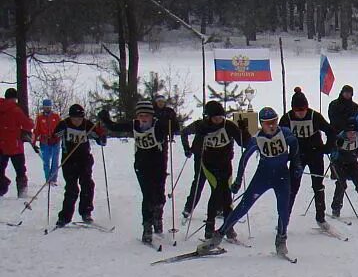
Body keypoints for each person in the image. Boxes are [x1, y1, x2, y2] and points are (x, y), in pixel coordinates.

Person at [201, 106, 299, 257]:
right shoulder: (257, 139)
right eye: (267, 123)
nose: (271, 126)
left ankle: (281, 240)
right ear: (262, 123)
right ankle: (218, 235)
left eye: (274, 121)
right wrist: (238, 181)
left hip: (282, 176)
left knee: (284, 209)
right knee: (243, 207)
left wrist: (295, 164)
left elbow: (295, 146)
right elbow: (244, 159)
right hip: (263, 176)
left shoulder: (285, 133)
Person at [99, 100, 168, 243]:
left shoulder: (158, 125)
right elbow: (115, 127)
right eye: (140, 115)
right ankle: (147, 227)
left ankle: (157, 215)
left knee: (159, 196)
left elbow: (171, 128)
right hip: (142, 165)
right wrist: (105, 118)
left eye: (146, 115)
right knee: (147, 195)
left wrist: (168, 120)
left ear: (151, 116)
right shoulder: (134, 125)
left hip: (158, 166)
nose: (143, 118)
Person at [181, 100, 245, 243]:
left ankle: (229, 228)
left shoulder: (228, 126)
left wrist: (243, 131)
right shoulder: (201, 126)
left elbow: (244, 142)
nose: (218, 120)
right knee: (216, 193)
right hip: (208, 165)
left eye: (221, 117)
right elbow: (184, 132)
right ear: (208, 117)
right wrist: (188, 148)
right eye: (215, 117)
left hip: (225, 164)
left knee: (227, 196)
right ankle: (209, 228)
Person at [281, 87, 333, 228]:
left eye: (303, 110)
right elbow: (280, 138)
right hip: (297, 156)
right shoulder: (287, 118)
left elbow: (330, 131)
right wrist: (284, 155)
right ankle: (284, 218)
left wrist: (327, 147)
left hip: (315, 154)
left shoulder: (314, 116)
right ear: (293, 109)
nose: (300, 113)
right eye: (297, 111)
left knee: (318, 185)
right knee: (292, 187)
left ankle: (321, 217)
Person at [53, 104, 106, 226]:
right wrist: (50, 139)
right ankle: (64, 217)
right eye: (75, 118)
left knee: (87, 184)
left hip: (84, 160)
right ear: (70, 117)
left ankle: (86, 212)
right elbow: (55, 136)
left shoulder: (87, 125)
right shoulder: (64, 124)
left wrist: (102, 137)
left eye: (80, 118)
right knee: (71, 188)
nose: (77, 121)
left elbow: (99, 138)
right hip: (69, 161)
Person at [328, 112, 358, 218]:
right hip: (339, 164)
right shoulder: (340, 138)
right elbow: (332, 152)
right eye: (350, 133)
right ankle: (336, 209)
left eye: (354, 132)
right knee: (341, 185)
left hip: (352, 163)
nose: (352, 135)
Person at [0, 88, 35, 198]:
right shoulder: (16, 110)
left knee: (0, 169)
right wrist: (31, 122)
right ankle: (22, 192)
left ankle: (2, 187)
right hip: (15, 146)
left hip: (1, 145)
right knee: (20, 170)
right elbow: (28, 125)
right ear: (15, 98)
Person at [33, 99, 62, 185]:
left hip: (55, 142)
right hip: (44, 142)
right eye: (46, 107)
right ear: (43, 107)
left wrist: (58, 137)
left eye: (49, 107)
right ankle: (48, 179)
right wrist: (33, 142)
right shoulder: (39, 118)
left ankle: (53, 179)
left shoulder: (56, 117)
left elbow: (62, 129)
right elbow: (36, 131)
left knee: (55, 161)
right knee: (46, 161)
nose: (47, 109)